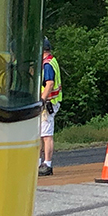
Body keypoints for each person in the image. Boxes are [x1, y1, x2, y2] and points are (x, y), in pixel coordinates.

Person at [39, 37, 62, 176]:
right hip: (50, 102)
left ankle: (47, 164)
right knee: (41, 134)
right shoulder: (51, 61)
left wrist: (42, 100)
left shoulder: (47, 64)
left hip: (49, 103)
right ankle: (40, 163)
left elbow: (49, 84)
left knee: (46, 135)